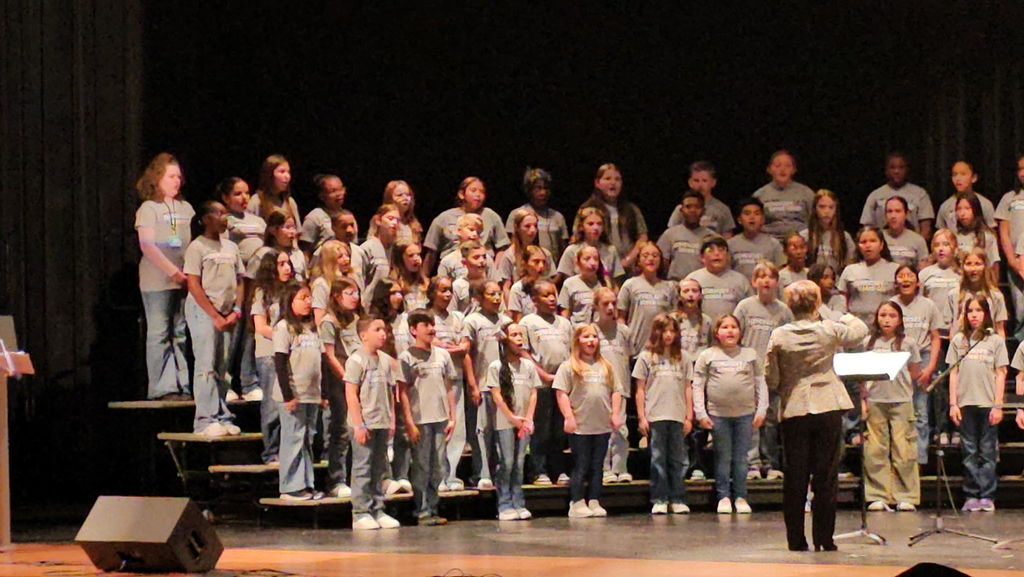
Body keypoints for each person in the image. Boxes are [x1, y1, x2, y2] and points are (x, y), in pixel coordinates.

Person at [765, 280, 869, 552]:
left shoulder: (779, 335)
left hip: (795, 408)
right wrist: (839, 312)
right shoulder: (828, 329)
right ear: (816, 304)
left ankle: (796, 540)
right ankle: (825, 539)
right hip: (827, 406)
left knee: (795, 475)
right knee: (826, 475)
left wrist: (786, 382)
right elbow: (860, 330)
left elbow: (772, 377)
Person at [693, 314, 766, 514]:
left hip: (745, 414)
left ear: (740, 331)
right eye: (724, 327)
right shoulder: (708, 355)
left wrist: (761, 410)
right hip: (718, 415)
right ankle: (723, 496)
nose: (730, 330)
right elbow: (698, 385)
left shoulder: (750, 354)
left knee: (742, 458)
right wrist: (701, 412)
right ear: (717, 332)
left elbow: (760, 383)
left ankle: (741, 496)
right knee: (723, 458)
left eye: (734, 326)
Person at [135, 153, 193, 400]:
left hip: (184, 279)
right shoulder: (149, 208)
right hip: (157, 281)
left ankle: (182, 383)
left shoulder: (185, 207)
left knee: (180, 331)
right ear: (157, 179)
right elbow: (147, 245)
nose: (176, 181)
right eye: (171, 176)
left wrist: (189, 274)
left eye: (179, 176)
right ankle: (162, 386)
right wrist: (173, 272)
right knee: (160, 332)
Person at [183, 201, 244, 437]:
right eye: (219, 213)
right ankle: (204, 419)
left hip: (228, 313)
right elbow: (193, 284)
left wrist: (236, 310)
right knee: (206, 365)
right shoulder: (197, 247)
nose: (224, 217)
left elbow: (240, 280)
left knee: (223, 366)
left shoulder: (230, 247)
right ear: (206, 218)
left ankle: (222, 414)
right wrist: (213, 315)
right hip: (204, 311)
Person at [554, 324, 625, 518]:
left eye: (594, 336)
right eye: (586, 337)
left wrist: (615, 414)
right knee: (582, 464)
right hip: (580, 425)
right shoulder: (569, 366)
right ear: (577, 340)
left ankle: (594, 499)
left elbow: (616, 391)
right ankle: (576, 501)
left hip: (601, 424)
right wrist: (568, 417)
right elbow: (561, 393)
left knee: (597, 465)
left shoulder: (606, 366)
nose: (591, 340)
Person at [398, 309, 458, 526]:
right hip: (420, 419)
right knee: (422, 464)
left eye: (432, 324)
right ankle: (421, 509)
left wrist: (452, 416)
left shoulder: (443, 355)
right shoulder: (406, 357)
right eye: (425, 325)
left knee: (438, 464)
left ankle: (433, 507)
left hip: (440, 418)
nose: (431, 329)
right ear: (414, 330)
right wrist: (409, 421)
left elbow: (449, 385)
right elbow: (402, 391)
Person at [860, 301, 921, 512]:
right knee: (876, 449)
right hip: (876, 400)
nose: (887, 319)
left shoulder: (908, 343)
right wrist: (863, 400)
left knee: (903, 448)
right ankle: (878, 494)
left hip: (901, 400)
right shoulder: (869, 342)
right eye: (883, 315)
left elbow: (914, 372)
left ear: (900, 319)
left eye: (892, 315)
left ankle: (906, 495)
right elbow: (862, 375)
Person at [734, 263, 792, 481]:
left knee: (771, 419)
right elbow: (735, 336)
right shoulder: (744, 307)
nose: (766, 281)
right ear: (754, 282)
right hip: (749, 372)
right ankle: (752, 463)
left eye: (770, 277)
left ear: (777, 282)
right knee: (752, 418)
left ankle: (771, 462)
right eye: (761, 276)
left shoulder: (784, 311)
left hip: (774, 373)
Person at [948, 297, 1006, 513]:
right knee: (970, 451)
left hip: (987, 403)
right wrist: (953, 403)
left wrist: (998, 405)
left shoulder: (995, 341)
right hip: (965, 403)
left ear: (986, 314)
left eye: (978, 310)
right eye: (970, 310)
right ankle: (971, 494)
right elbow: (953, 373)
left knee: (988, 451)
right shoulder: (959, 340)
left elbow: (1001, 373)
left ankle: (987, 495)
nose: (974, 314)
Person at [345, 317, 401, 530]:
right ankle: (360, 512)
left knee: (379, 468)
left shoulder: (386, 360)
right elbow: (351, 393)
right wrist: (359, 425)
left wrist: (392, 421)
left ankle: (378, 508)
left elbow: (390, 392)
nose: (383, 333)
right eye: (377, 329)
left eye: (384, 329)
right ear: (363, 335)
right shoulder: (356, 361)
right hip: (364, 424)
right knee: (363, 467)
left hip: (382, 422)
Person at [272, 283, 326, 501]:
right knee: (293, 438)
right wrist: (288, 396)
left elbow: (319, 362)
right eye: (303, 297)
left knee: (306, 439)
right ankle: (290, 486)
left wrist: (323, 394)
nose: (308, 302)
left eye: (309, 298)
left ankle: (306, 483)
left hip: (311, 394)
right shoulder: (284, 327)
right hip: (293, 395)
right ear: (290, 301)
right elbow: (280, 362)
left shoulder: (312, 328)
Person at [634, 314, 692, 515]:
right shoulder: (646, 357)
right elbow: (640, 389)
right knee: (658, 458)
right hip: (656, 415)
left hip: (677, 414)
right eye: (664, 330)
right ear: (656, 332)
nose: (668, 335)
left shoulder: (683, 357)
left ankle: (677, 497)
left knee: (677, 459)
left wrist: (689, 416)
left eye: (672, 331)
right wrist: (642, 416)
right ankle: (659, 498)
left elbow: (687, 387)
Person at [484, 323, 540, 521]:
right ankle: (504, 503)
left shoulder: (528, 366)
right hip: (506, 422)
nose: (519, 338)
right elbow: (497, 396)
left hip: (524, 422)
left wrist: (529, 418)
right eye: (514, 334)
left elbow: (533, 393)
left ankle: (519, 502)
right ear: (505, 340)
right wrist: (511, 418)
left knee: (519, 462)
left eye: (521, 335)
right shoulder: (496, 367)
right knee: (507, 461)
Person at [520, 280, 573, 486]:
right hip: (540, 381)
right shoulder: (529, 322)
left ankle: (558, 469)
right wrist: (542, 373)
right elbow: (524, 351)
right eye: (546, 295)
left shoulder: (564, 323)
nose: (552, 298)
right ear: (534, 300)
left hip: (561, 382)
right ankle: (538, 470)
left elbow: (569, 352)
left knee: (559, 429)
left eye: (554, 294)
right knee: (541, 428)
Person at [891, 265, 943, 466]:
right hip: (898, 357)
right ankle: (899, 459)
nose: (905, 279)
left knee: (920, 412)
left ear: (917, 282)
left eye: (909, 275)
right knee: (900, 411)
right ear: (896, 281)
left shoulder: (928, 305)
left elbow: (935, 337)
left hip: (922, 357)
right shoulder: (891, 304)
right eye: (901, 276)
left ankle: (919, 461)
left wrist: (930, 367)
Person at [462, 280, 511, 490]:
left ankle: (501, 471)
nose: (497, 297)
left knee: (502, 430)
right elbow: (466, 353)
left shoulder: (506, 321)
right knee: (482, 430)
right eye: (491, 294)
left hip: (504, 386)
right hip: (482, 383)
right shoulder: (472, 320)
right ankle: (482, 472)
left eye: (499, 293)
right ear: (479, 298)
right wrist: (472, 384)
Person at [425, 277, 471, 492]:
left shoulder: (458, 317)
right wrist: (451, 348)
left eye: (449, 290)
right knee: (437, 428)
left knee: (457, 427)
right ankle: (437, 476)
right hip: (432, 380)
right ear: (432, 292)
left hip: (456, 378)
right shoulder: (426, 316)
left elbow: (465, 346)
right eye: (443, 290)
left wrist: (450, 348)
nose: (447, 295)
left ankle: (451, 474)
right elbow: (431, 343)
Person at [319, 278, 362, 498]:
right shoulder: (329, 321)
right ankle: (336, 479)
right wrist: (347, 379)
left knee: (357, 429)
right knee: (341, 430)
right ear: (337, 296)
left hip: (358, 380)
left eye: (356, 293)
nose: (355, 297)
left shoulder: (355, 319)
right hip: (340, 382)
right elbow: (329, 354)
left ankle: (358, 478)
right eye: (349, 293)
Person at [250, 250, 293, 463]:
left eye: (288, 263)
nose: (287, 268)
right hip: (269, 353)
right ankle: (271, 452)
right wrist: (283, 336)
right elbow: (260, 326)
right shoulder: (262, 293)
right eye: (281, 263)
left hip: (291, 353)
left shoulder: (291, 291)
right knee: (272, 404)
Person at [424, 177, 510, 273]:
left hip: (483, 269)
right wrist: (424, 277)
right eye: (473, 190)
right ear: (461, 194)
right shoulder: (444, 218)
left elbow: (502, 247)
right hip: (453, 269)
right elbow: (431, 252)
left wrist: (495, 269)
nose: (478, 195)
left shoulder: (491, 216)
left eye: (482, 192)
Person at [592, 287, 633, 484]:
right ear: (596, 306)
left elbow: (628, 356)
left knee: (620, 428)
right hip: (598, 389)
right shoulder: (591, 331)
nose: (610, 308)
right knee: (602, 429)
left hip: (620, 387)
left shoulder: (624, 331)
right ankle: (604, 468)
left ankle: (620, 467)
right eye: (605, 304)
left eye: (614, 304)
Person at [578, 163, 649, 271]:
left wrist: (628, 260)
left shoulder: (631, 209)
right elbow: (578, 237)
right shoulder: (588, 208)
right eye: (607, 178)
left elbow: (642, 237)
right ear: (597, 182)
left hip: (629, 267)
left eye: (617, 179)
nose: (613, 183)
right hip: (598, 267)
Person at [617, 242, 676, 358]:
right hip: (636, 349)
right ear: (638, 260)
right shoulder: (630, 284)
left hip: (663, 349)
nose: (650, 259)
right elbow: (620, 317)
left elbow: (674, 318)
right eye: (645, 255)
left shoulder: (670, 286)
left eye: (655, 255)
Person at [861, 152, 935, 240]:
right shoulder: (875, 196)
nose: (896, 171)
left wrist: (916, 246)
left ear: (907, 169)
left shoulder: (920, 194)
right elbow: (867, 228)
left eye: (901, 167)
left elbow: (926, 230)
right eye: (892, 167)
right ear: (886, 170)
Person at [838, 226, 899, 328]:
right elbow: (842, 300)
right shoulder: (850, 270)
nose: (868, 245)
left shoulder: (895, 269)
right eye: (863, 242)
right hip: (856, 327)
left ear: (881, 245)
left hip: (885, 328)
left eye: (873, 241)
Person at [505, 167, 569, 263]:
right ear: (529, 190)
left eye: (545, 188)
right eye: (538, 188)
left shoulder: (557, 217)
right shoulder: (517, 214)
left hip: (552, 272)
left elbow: (563, 249)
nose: (543, 193)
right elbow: (511, 245)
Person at [684, 237, 753, 322]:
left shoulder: (741, 281)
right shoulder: (692, 280)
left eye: (721, 250)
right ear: (702, 257)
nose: (717, 254)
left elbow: (749, 311)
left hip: (729, 332)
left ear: (727, 255)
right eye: (711, 250)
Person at [752, 150, 815, 241]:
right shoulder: (760, 195)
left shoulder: (806, 193)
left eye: (788, 166)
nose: (782, 169)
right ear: (769, 169)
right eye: (778, 165)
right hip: (770, 242)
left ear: (794, 170)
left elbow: (815, 221)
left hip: (800, 242)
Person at [994, 155, 1024, 339]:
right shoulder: (1009, 198)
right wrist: (1014, 262)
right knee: (1021, 310)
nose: (1023, 173)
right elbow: (1003, 232)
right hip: (1016, 265)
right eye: (1020, 169)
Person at [556, 206, 624, 285]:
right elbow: (567, 282)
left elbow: (616, 281)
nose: (596, 228)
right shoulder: (571, 250)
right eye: (590, 224)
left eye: (599, 224)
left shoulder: (610, 250)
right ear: (581, 226)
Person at [657, 190, 715, 281]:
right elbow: (661, 263)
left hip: (703, 286)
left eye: (697, 207)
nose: (692, 210)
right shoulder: (670, 234)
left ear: (703, 211)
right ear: (681, 210)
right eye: (688, 207)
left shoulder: (712, 237)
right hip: (675, 284)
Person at [667, 161, 735, 237]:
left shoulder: (723, 209)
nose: (700, 185)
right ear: (690, 182)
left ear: (713, 182)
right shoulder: (682, 209)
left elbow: (727, 237)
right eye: (696, 180)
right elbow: (671, 235)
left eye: (704, 181)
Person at [728, 198, 784, 281]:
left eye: (757, 213)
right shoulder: (730, 244)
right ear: (739, 219)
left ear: (763, 219)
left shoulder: (774, 244)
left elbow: (780, 273)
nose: (752, 217)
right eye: (747, 213)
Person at [801, 189, 855, 275]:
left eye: (831, 207)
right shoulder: (804, 236)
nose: (826, 211)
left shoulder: (844, 237)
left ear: (836, 210)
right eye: (822, 207)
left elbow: (851, 266)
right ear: (815, 209)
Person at [935, 161, 996, 232]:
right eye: (954, 175)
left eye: (963, 174)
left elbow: (992, 232)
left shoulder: (985, 204)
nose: (958, 179)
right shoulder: (945, 206)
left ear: (974, 178)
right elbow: (940, 233)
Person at [361, 204, 402, 310]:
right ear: (378, 221)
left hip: (385, 309)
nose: (394, 223)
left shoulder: (394, 250)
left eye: (397, 220)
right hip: (368, 307)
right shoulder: (368, 247)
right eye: (390, 218)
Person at [953, 191, 1000, 278]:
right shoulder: (954, 237)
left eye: (967, 208)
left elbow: (994, 267)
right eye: (959, 209)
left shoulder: (988, 236)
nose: (962, 214)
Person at [558, 245, 607, 327]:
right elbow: (564, 313)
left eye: (595, 259)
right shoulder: (570, 283)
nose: (592, 263)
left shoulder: (604, 284)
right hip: (578, 332)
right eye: (587, 259)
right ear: (577, 262)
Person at [300, 173, 346, 255]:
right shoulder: (314, 217)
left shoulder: (347, 216)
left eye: (341, 189)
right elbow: (305, 251)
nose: (339, 194)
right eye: (333, 191)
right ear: (322, 196)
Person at [247, 154, 301, 225]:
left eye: (288, 172)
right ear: (269, 174)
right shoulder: (256, 201)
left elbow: (298, 232)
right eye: (282, 172)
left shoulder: (290, 202)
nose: (287, 176)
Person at [367, 180, 423, 246]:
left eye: (408, 195)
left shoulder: (413, 223)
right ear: (390, 198)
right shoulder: (381, 220)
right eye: (399, 195)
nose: (405, 198)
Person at [882, 196, 929, 269]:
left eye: (897, 211)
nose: (893, 216)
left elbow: (924, 270)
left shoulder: (918, 240)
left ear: (906, 214)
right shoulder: (878, 238)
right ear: (885, 215)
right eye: (889, 211)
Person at [508, 246, 551, 321]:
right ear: (525, 263)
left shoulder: (549, 287)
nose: (541, 266)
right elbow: (517, 319)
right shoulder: (517, 289)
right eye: (536, 262)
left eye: (543, 262)